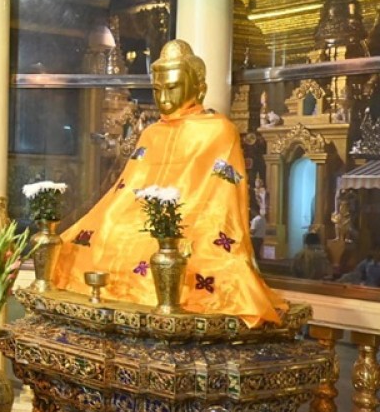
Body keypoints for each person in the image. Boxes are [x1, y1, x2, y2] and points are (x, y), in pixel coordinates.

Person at [53, 39, 285, 327]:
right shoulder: (152, 133)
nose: (164, 98)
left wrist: (177, 220)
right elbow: (127, 189)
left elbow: (221, 198)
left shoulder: (219, 130)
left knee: (195, 254)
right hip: (143, 215)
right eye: (157, 90)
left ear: (198, 87)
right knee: (107, 225)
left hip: (194, 219)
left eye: (172, 87)